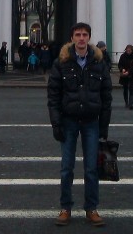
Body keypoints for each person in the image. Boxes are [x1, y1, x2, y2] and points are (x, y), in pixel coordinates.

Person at [47, 22, 112, 227]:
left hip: (91, 122)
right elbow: (53, 96)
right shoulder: (61, 63)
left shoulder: (99, 63)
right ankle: (65, 208)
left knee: (91, 168)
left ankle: (91, 208)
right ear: (72, 38)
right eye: (78, 34)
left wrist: (104, 126)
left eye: (85, 34)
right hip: (69, 121)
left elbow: (106, 96)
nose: (81, 38)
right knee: (66, 168)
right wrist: (56, 124)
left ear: (89, 37)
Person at [118, 44, 133, 110]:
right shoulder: (123, 56)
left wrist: (128, 72)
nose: (128, 51)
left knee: (131, 90)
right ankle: (126, 102)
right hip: (124, 75)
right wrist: (122, 69)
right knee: (125, 89)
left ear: (132, 50)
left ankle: (130, 104)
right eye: (127, 50)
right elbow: (119, 64)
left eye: (129, 50)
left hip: (131, 75)